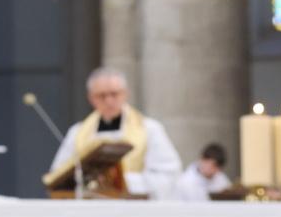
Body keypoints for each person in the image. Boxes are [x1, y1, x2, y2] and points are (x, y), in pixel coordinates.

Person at [46, 66, 183, 199]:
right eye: (101, 96)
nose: (109, 100)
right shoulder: (77, 132)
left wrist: (122, 181)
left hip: (133, 211)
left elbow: (168, 174)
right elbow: (59, 175)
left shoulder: (150, 129)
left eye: (114, 94)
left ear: (125, 94)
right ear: (91, 98)